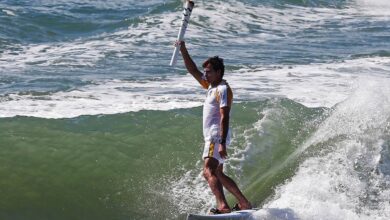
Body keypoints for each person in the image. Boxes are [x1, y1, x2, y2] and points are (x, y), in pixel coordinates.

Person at [177, 41, 252, 214]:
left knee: (208, 171)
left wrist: (222, 142)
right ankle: (244, 203)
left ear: (219, 72)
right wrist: (183, 50)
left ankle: (223, 207)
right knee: (218, 173)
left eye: (209, 72)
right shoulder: (211, 86)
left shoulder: (223, 89)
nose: (205, 74)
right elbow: (193, 70)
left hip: (216, 135)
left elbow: (224, 115)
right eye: (206, 72)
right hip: (215, 136)